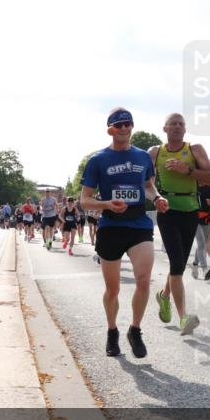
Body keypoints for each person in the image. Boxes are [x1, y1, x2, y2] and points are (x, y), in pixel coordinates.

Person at [81, 108, 169, 358]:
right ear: (110, 129)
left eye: (127, 124)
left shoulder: (142, 157)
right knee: (113, 290)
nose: (123, 128)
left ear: (132, 126)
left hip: (139, 224)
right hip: (111, 226)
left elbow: (149, 187)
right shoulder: (98, 160)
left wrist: (158, 198)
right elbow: (85, 200)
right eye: (118, 125)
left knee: (143, 280)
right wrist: (107, 204)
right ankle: (112, 331)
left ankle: (135, 329)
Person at [148, 113, 210, 336]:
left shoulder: (195, 149)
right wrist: (156, 197)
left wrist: (187, 170)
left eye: (181, 124)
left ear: (185, 129)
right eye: (173, 124)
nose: (177, 127)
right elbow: (145, 181)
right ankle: (184, 318)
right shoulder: (154, 152)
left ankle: (164, 296)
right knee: (177, 264)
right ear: (165, 128)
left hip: (190, 211)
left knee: (177, 264)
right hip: (167, 210)